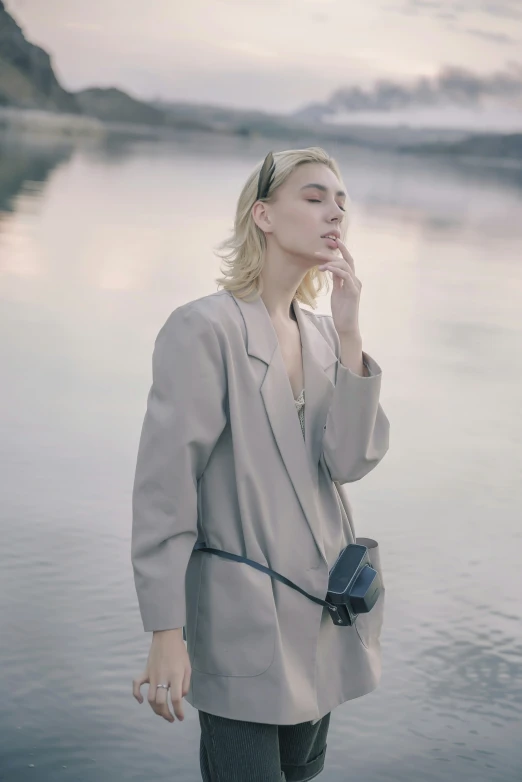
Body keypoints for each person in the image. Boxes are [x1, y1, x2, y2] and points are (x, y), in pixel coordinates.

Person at [131, 146, 390, 781]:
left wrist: (352, 335)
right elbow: (165, 490)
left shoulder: (327, 335)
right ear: (264, 216)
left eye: (342, 202)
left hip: (322, 617)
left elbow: (350, 461)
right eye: (314, 196)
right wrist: (167, 631)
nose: (335, 212)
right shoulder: (204, 329)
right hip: (240, 624)